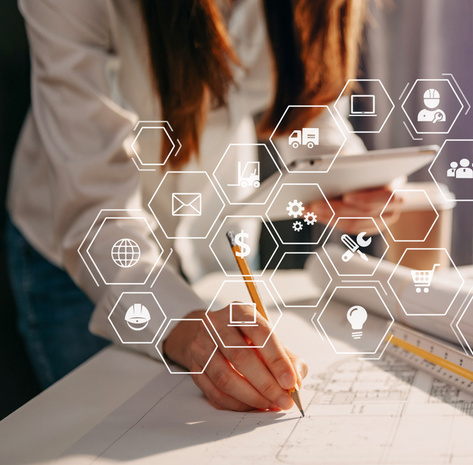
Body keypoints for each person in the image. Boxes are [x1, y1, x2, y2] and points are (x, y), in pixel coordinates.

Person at [6, 0, 401, 412]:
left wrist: (350, 179)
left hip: (212, 239)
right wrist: (179, 321)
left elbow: (310, 111)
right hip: (83, 260)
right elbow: (97, 210)